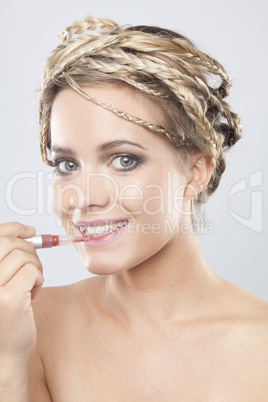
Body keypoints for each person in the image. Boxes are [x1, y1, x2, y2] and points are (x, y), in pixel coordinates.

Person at [0, 16, 267, 401]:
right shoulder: (27, 328)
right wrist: (8, 364)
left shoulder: (261, 348)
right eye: (67, 165)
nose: (84, 197)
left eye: (124, 160)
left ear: (195, 172)